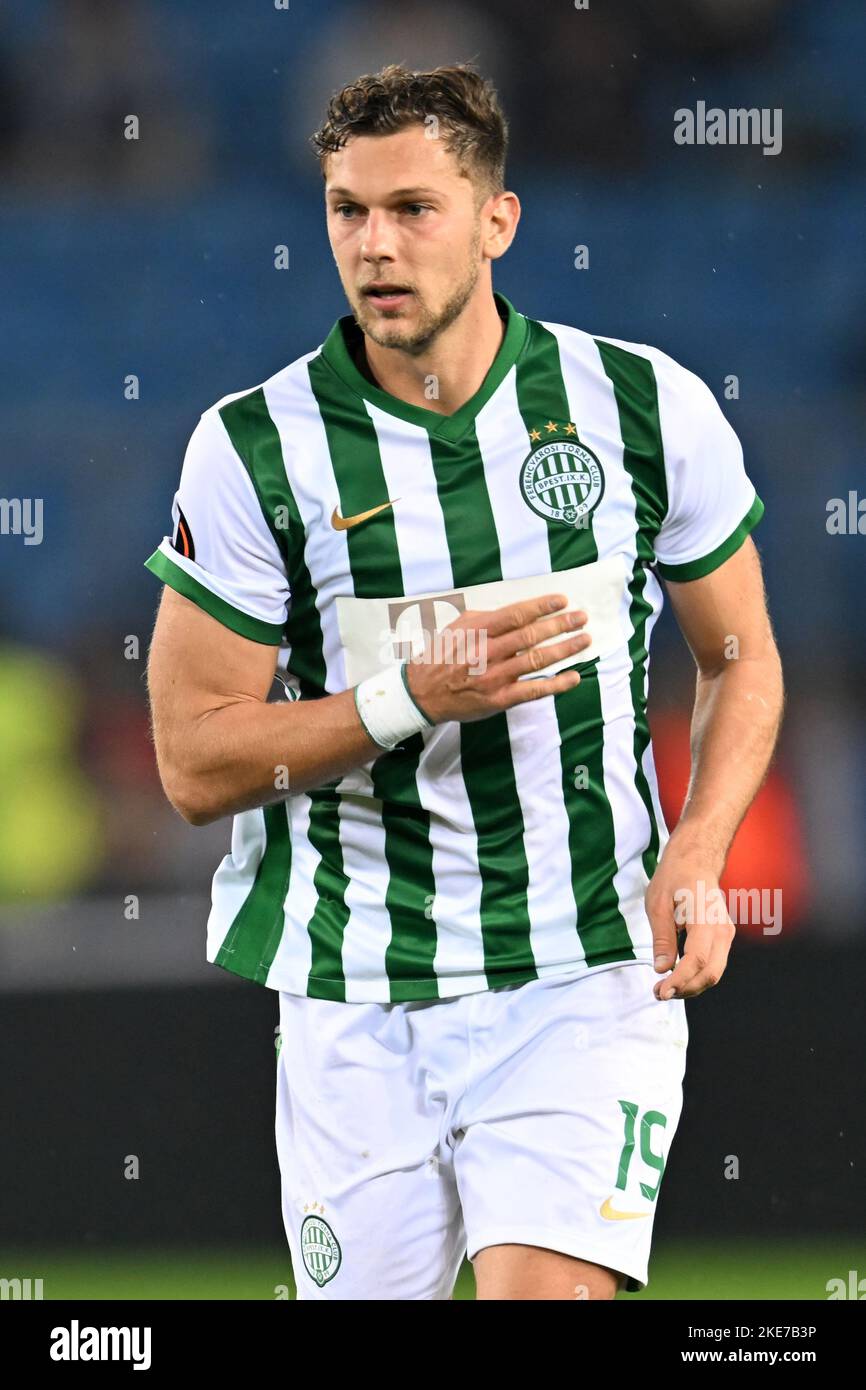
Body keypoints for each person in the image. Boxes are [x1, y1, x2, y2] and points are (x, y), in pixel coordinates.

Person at [144, 63, 784, 1300]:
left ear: (496, 220)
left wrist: (698, 851)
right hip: (353, 994)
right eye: (346, 211)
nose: (374, 245)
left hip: (581, 970)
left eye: (411, 209)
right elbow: (191, 761)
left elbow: (740, 656)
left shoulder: (641, 407)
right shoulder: (255, 449)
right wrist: (406, 700)